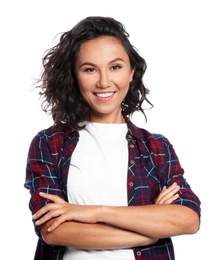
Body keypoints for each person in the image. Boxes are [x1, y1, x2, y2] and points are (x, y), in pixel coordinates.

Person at [24, 16, 201, 260]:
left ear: (131, 72)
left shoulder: (156, 147)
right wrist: (150, 231)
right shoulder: (49, 143)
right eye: (89, 69)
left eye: (115, 67)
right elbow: (54, 230)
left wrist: (95, 213)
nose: (104, 81)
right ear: (74, 76)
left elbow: (188, 219)